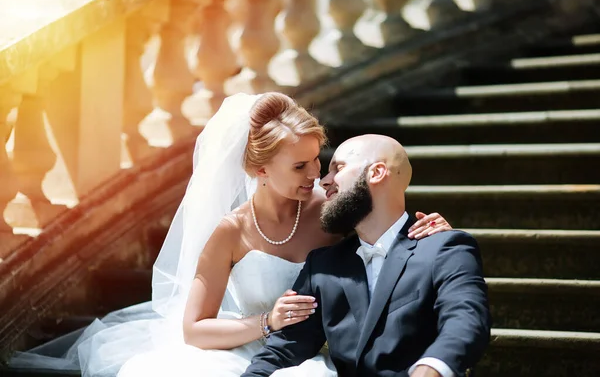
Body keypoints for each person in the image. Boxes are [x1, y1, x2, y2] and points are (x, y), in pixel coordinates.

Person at [9, 93, 452, 377]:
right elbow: (194, 329)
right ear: (259, 169)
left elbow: (383, 233)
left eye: (318, 159)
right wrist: (266, 323)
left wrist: (425, 231)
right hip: (236, 348)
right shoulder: (231, 231)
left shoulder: (330, 209)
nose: (317, 174)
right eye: (300, 166)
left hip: (309, 352)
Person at [243, 134, 491, 377]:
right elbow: (285, 347)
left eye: (338, 168)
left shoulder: (445, 247)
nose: (324, 181)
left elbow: (466, 319)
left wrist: (432, 367)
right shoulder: (322, 265)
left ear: (376, 172)